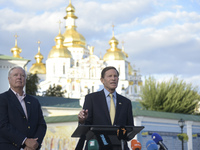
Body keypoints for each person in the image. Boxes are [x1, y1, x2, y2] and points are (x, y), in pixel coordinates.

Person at [78, 66, 134, 150]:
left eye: (115, 76)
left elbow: (130, 128)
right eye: (110, 76)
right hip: (97, 146)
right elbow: (86, 127)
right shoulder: (91, 99)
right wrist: (82, 120)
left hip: (119, 147)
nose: (113, 78)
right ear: (102, 80)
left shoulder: (126, 102)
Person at [0, 66, 47, 150]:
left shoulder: (34, 101)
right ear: (9, 79)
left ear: (25, 79)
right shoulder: (2, 99)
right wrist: (25, 141)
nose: (19, 77)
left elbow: (42, 125)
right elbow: (3, 125)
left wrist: (35, 144)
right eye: (15, 75)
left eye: (22, 75)